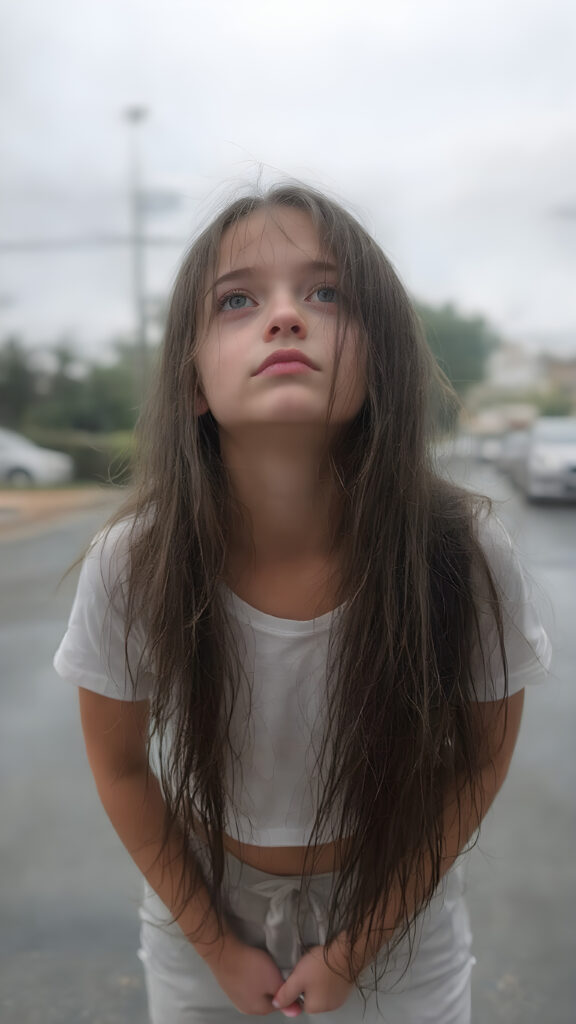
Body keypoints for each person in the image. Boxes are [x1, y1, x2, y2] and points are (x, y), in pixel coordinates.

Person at [53, 183, 551, 1024]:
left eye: (326, 292)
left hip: (398, 904)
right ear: (194, 384)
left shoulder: (462, 552)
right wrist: (215, 944)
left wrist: (359, 944)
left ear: (382, 356)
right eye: (237, 300)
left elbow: (479, 758)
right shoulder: (133, 563)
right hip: (201, 907)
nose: (286, 316)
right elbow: (123, 766)